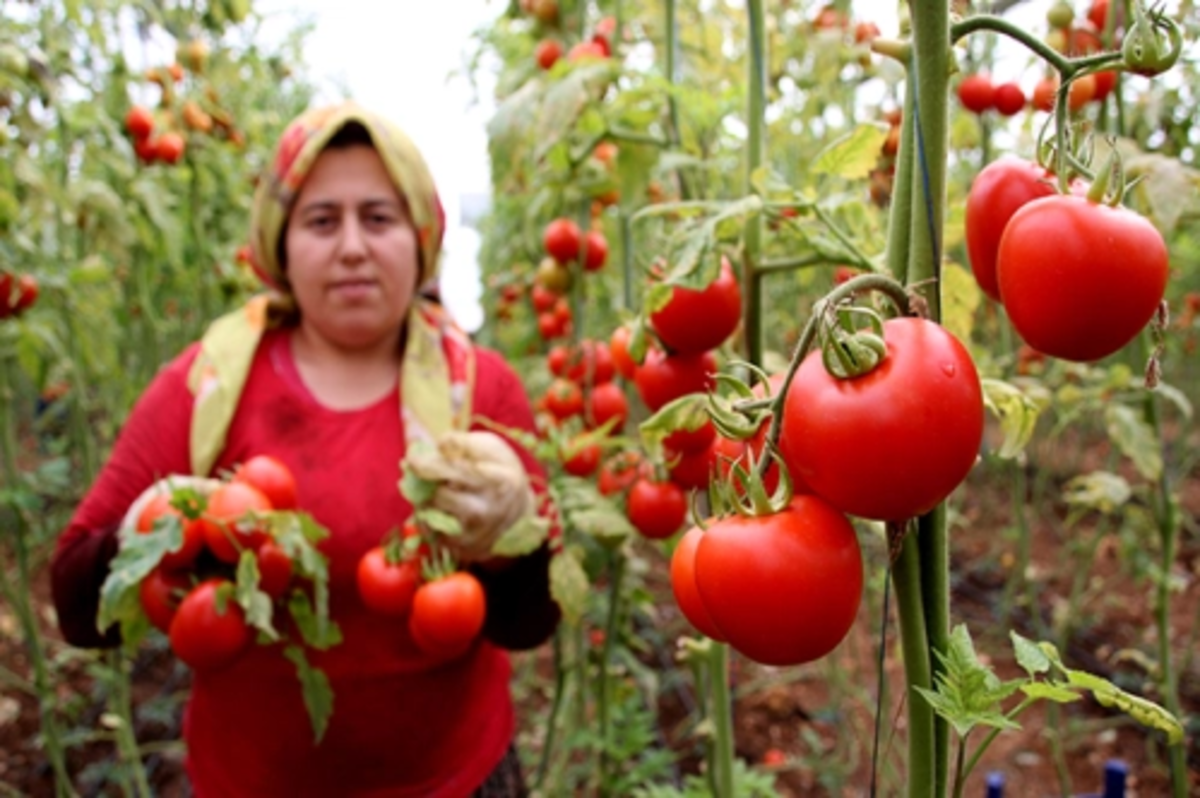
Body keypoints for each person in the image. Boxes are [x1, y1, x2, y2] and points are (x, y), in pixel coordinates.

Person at [50, 100, 560, 797]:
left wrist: (509, 538)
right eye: (322, 221)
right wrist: (151, 527)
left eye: (378, 218)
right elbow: (79, 605)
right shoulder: (206, 384)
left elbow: (529, 623)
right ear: (281, 246)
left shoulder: (479, 388)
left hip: (457, 778)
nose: (352, 246)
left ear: (420, 240)